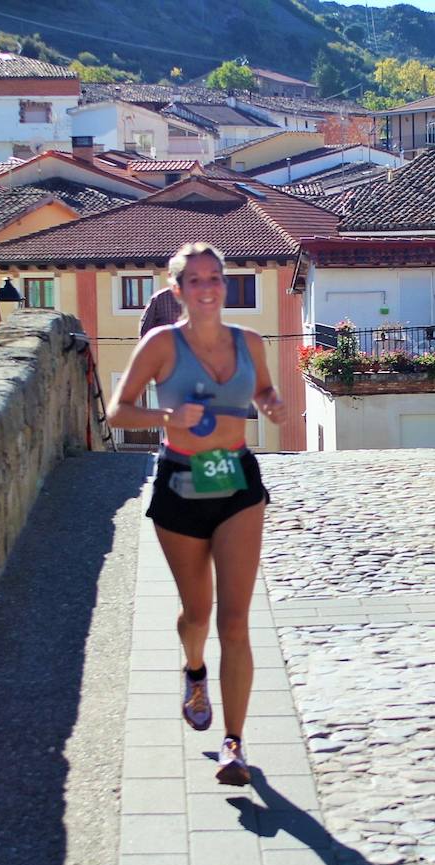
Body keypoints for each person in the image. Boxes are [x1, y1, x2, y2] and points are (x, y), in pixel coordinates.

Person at [107, 242, 288, 784]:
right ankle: (193, 670)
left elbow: (264, 390)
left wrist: (271, 404)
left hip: (235, 480)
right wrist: (166, 412)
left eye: (216, 278)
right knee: (198, 616)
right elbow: (118, 411)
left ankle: (234, 743)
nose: (208, 288)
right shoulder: (161, 344)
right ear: (178, 290)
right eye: (196, 280)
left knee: (235, 621)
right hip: (181, 481)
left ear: (224, 286)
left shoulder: (250, 342)